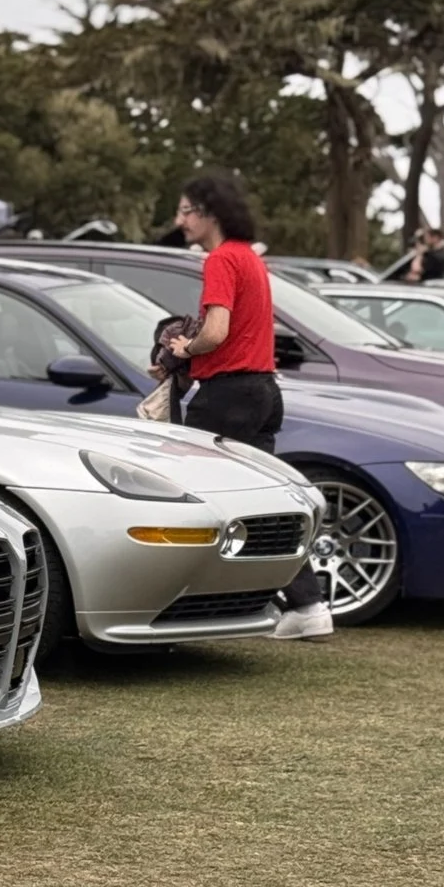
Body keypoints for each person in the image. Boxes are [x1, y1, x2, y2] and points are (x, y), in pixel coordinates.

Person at [159, 172, 334, 641]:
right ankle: (307, 604)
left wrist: (184, 350)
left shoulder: (219, 260)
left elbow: (216, 332)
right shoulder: (250, 259)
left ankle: (176, 605)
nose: (180, 221)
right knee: (265, 506)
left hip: (228, 396)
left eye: (186, 211)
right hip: (262, 391)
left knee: (186, 497)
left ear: (209, 214)